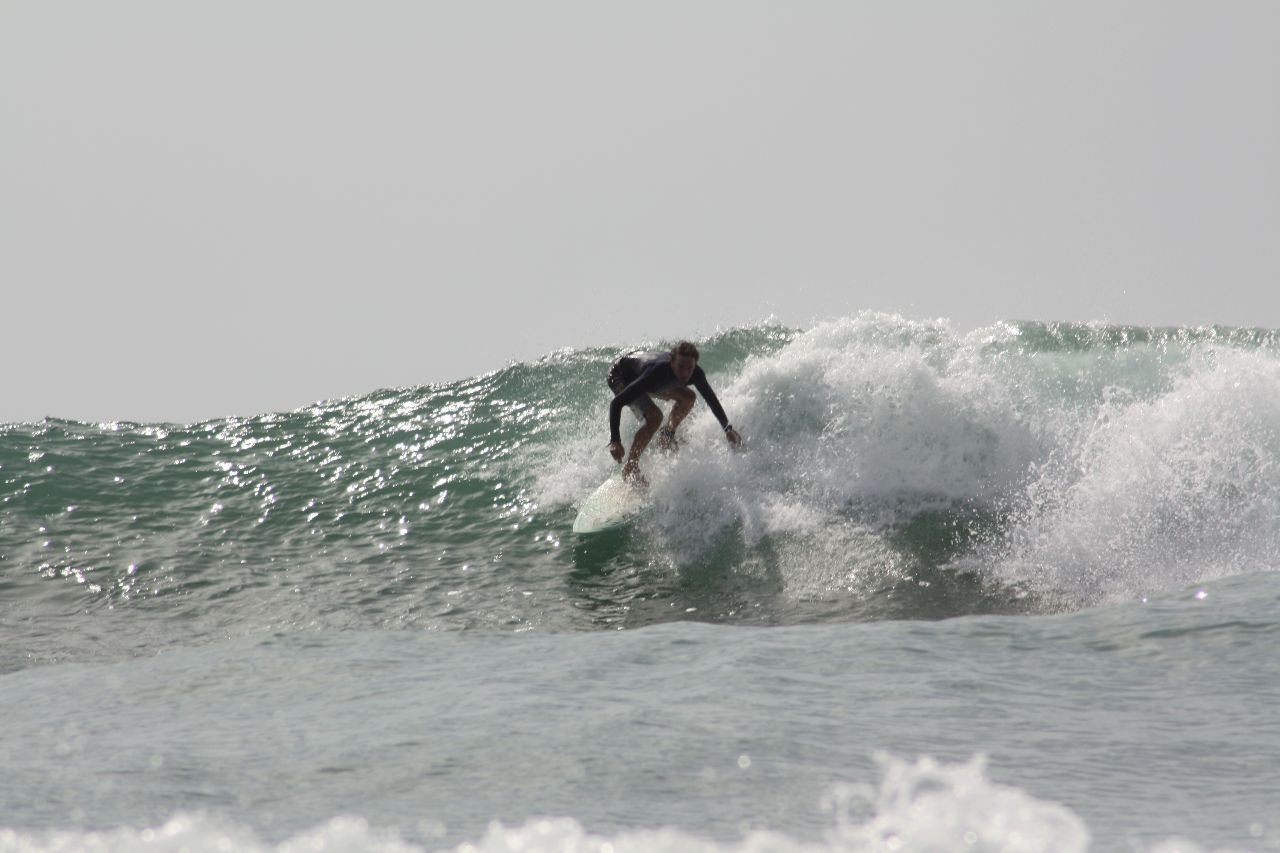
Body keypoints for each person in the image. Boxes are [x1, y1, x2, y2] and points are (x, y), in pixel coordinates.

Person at [606, 341, 743, 484]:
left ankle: (666, 436)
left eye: (689, 368)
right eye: (681, 367)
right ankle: (631, 467)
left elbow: (711, 400)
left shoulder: (695, 374)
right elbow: (616, 403)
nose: (685, 373)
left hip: (645, 374)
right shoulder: (656, 372)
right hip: (621, 374)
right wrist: (615, 440)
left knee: (689, 398)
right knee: (655, 417)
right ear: (672, 362)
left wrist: (728, 429)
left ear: (695, 365)